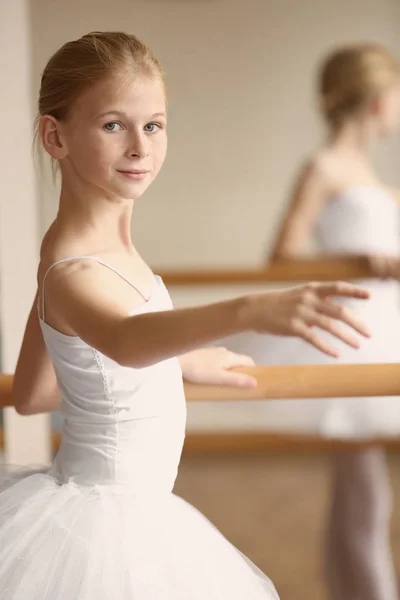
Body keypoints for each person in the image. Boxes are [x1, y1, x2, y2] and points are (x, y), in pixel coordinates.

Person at [1, 32, 371, 599]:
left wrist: (175, 364)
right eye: (112, 125)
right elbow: (123, 339)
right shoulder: (71, 269)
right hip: (108, 527)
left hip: (133, 515)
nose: (139, 148)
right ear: (56, 136)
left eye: (153, 125)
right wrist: (251, 309)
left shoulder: (91, 251)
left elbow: (33, 392)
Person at [230, 43, 400, 600]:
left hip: (379, 327)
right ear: (377, 101)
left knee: (362, 492)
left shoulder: (370, 174)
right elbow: (281, 256)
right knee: (367, 493)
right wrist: (357, 264)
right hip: (350, 333)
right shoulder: (324, 166)